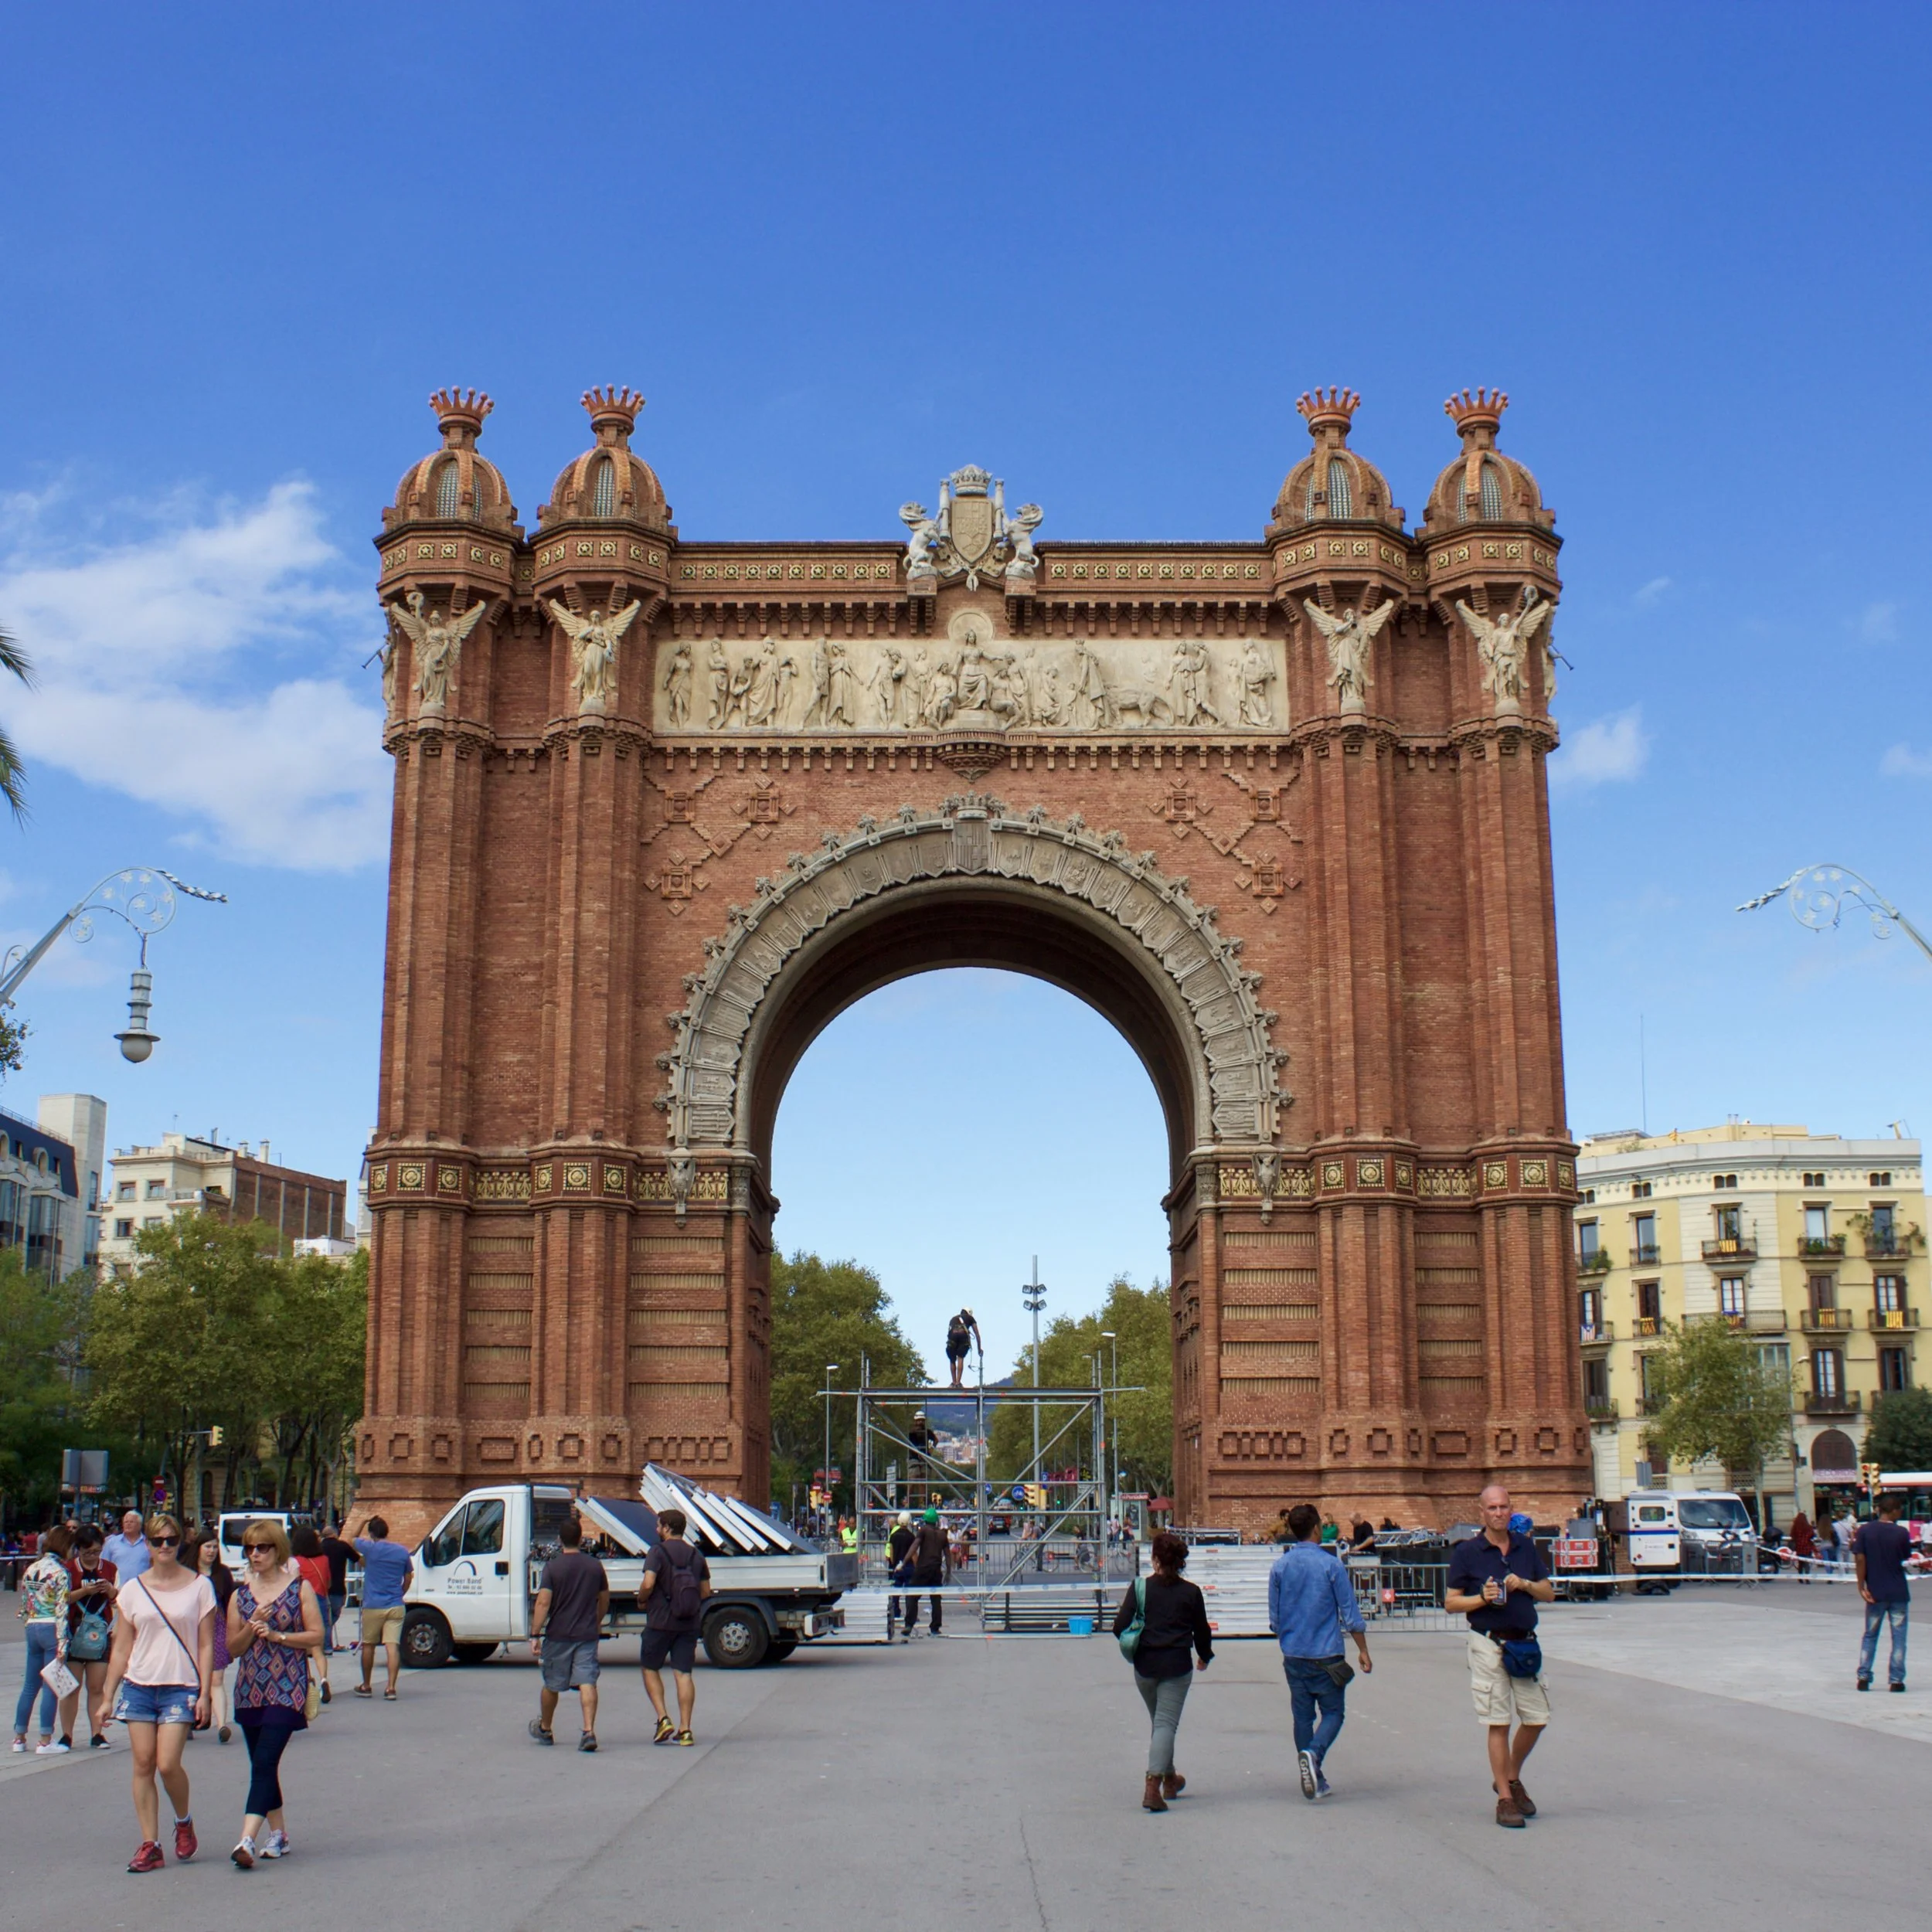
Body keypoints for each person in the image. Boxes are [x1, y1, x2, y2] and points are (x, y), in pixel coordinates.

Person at [100, 1512, 215, 1873]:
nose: (164, 1546)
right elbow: (121, 1647)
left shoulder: (199, 1586)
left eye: (171, 1540)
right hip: (139, 1685)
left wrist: (206, 1693)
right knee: (143, 1763)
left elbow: (207, 1645)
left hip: (180, 1685)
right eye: (157, 1541)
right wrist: (107, 1696)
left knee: (167, 1763)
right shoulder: (133, 1589)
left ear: (181, 1543)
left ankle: (184, 1820)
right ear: (147, 1546)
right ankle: (150, 1843)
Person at [1444, 1484, 1556, 1828]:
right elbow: (1450, 1602)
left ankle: (1509, 1776)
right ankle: (1505, 1799)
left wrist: (1525, 1584)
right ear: (1482, 1512)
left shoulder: (1525, 1547)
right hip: (1488, 1643)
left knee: (1537, 1717)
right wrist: (1482, 1598)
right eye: (1492, 1508)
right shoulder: (1468, 1552)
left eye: (1504, 1507)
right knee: (1499, 1721)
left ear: (1511, 1510)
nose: (1499, 1513)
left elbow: (1548, 1593)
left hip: (1523, 1645)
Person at [226, 1519, 325, 1868]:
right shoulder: (240, 1595)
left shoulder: (299, 1590)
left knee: (266, 1761)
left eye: (263, 1547)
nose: (255, 1554)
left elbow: (316, 1636)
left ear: (277, 1549)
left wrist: (278, 1636)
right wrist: (253, 1630)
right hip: (251, 1688)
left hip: (287, 1687)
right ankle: (279, 1834)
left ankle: (247, 1839)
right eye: (250, 1548)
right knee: (261, 1765)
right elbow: (232, 1649)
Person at [1268, 1502, 1372, 1799]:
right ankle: (1314, 1755)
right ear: (1317, 1529)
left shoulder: (1280, 1566)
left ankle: (1314, 1773)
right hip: (1326, 1653)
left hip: (1294, 1653)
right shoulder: (1331, 1565)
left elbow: (1274, 1619)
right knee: (1334, 1713)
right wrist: (1363, 1650)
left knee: (1302, 1717)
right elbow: (1350, 1613)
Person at [1113, 1529, 1213, 1812]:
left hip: (1144, 1666)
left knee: (1160, 1724)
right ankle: (1152, 1786)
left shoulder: (1140, 1588)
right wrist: (1204, 1656)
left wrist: (1137, 1641)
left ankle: (1170, 1779)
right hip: (1177, 1667)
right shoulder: (1191, 1592)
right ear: (1180, 1561)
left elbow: (1119, 1626)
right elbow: (1202, 1631)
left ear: (1155, 1559)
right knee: (1166, 1725)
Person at [529, 1512, 608, 1751]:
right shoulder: (595, 1567)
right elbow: (604, 1598)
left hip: (558, 1635)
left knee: (552, 1685)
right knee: (587, 1682)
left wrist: (535, 1634)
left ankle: (546, 1727)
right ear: (581, 1539)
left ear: (560, 1540)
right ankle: (588, 1731)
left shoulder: (553, 1568)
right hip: (586, 1634)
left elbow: (543, 1603)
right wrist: (596, 1620)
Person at [638, 1508, 711, 1746]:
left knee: (650, 1669)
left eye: (659, 1525)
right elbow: (705, 1591)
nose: (657, 1529)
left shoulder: (657, 1552)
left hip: (660, 1622)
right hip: (688, 1623)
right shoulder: (696, 1556)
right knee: (684, 1674)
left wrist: (642, 1598)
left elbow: (649, 1582)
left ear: (667, 1528)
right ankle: (686, 1729)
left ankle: (663, 1718)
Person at [13, 1523, 73, 1755]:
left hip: (33, 1625)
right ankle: (45, 1740)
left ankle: (19, 1737)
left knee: (30, 1685)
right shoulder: (61, 1572)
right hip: (51, 1627)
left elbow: (24, 1604)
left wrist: (28, 1621)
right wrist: (62, 1642)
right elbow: (62, 1609)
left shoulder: (31, 1568)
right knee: (51, 1685)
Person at [64, 1522, 119, 1748]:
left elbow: (119, 1599)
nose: (92, 1556)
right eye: (87, 1552)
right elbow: (62, 1598)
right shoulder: (68, 1569)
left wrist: (110, 1590)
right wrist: (84, 1591)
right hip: (74, 1631)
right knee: (71, 1687)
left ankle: (97, 1733)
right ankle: (66, 1735)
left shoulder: (110, 1569)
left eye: (96, 1552)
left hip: (100, 1631)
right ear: (78, 1549)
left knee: (96, 1687)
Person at [353, 1515, 414, 1699]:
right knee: (392, 1646)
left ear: (371, 1533)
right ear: (387, 1532)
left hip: (373, 1605)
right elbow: (409, 1577)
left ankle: (366, 1685)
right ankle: (391, 1688)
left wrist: (362, 1522)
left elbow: (351, 1540)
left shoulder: (370, 1549)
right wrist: (401, 1593)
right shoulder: (402, 1551)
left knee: (369, 1645)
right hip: (395, 1604)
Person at [1855, 1495, 1912, 1692]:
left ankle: (1864, 1677)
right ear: (1894, 1510)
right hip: (1898, 1591)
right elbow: (1905, 1555)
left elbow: (1860, 1559)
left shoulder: (1865, 1531)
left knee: (1870, 1635)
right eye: (1900, 1510)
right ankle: (1896, 1680)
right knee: (1899, 1637)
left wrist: (1861, 1585)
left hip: (1875, 1591)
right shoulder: (1901, 1533)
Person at [188, 1531, 236, 1741]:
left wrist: (232, 1634)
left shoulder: (223, 1573)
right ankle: (187, 1721)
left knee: (217, 1678)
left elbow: (229, 1605)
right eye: (207, 1546)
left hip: (216, 1629)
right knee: (190, 1678)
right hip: (190, 1629)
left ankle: (222, 1725)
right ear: (198, 1548)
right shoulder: (186, 1572)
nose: (211, 1551)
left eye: (215, 1547)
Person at [289, 1526, 334, 1706]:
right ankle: (323, 1679)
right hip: (321, 1601)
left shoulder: (294, 1561)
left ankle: (308, 1680)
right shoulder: (324, 1559)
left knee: (301, 1645)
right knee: (317, 1647)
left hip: (300, 1603)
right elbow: (328, 1582)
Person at [906, 1505, 947, 1635]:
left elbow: (915, 1546)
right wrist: (949, 1572)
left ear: (925, 1520)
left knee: (912, 1596)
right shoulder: (942, 1535)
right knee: (936, 1599)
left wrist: (905, 1561)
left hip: (923, 1568)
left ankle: (909, 1624)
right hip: (936, 1570)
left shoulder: (923, 1531)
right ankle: (935, 1627)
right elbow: (948, 1554)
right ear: (936, 1521)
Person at [318, 1520, 355, 1652]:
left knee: (324, 1617)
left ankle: (323, 1639)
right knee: (333, 1615)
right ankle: (326, 1645)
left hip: (320, 1587)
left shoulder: (318, 1547)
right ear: (335, 1534)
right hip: (338, 1587)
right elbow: (356, 1558)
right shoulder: (342, 1546)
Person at [886, 1509, 917, 1642]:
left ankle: (896, 1613)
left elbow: (891, 1552)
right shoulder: (911, 1536)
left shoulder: (893, 1536)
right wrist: (916, 1566)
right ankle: (909, 1617)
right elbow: (914, 1553)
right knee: (910, 1594)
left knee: (896, 1592)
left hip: (897, 1567)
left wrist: (893, 1564)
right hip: (909, 1566)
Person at [103, 1509, 151, 1582]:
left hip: (141, 1588)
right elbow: (103, 1564)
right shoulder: (112, 1542)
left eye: (131, 1522)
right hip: (117, 1589)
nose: (128, 1524)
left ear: (139, 1525)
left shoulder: (148, 1544)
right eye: (126, 1522)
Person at [944, 1307, 982, 1389]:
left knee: (952, 1359)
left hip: (952, 1337)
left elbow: (949, 1332)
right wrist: (979, 1349)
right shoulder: (970, 1318)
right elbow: (977, 1335)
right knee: (960, 1358)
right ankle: (958, 1383)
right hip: (963, 1336)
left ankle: (953, 1383)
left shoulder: (953, 1319)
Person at [1790, 1509, 1816, 1583]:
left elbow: (1792, 1536)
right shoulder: (1809, 1528)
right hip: (1807, 1546)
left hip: (1799, 1547)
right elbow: (1812, 1536)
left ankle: (1800, 1577)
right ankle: (1807, 1578)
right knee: (1807, 1562)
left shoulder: (1795, 1528)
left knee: (1800, 1563)